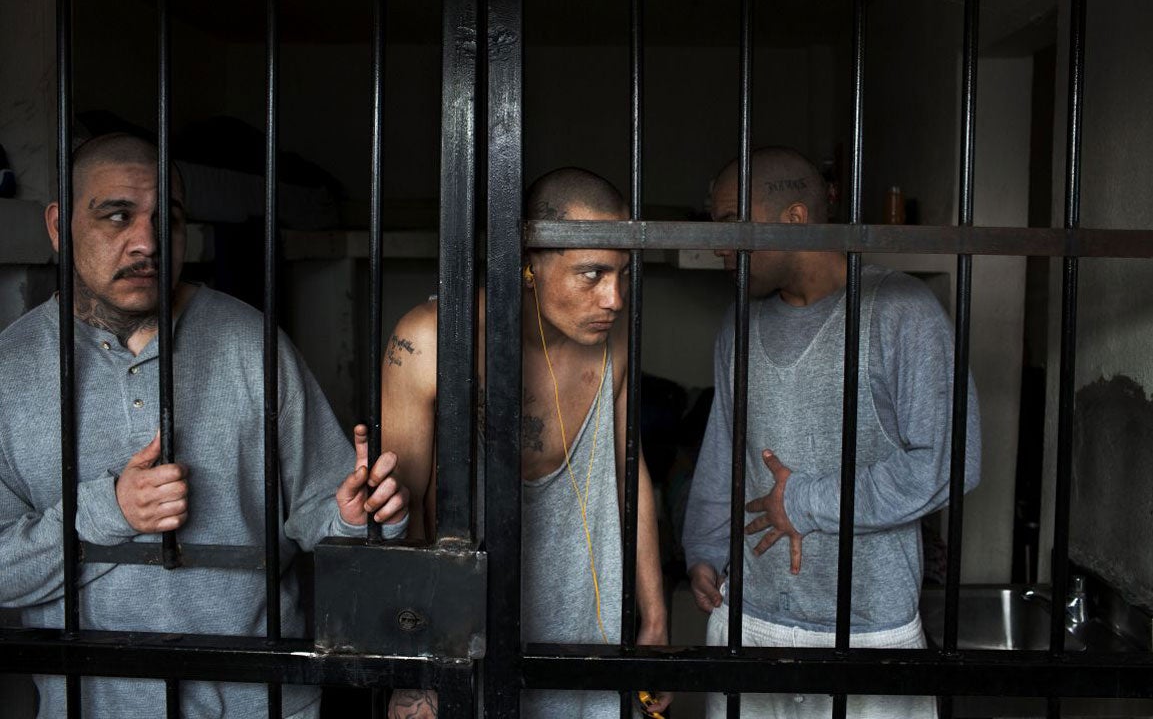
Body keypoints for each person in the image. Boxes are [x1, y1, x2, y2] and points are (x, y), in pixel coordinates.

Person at [0, 133, 408, 718]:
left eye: (166, 219)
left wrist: (355, 518)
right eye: (117, 216)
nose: (146, 242)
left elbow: (324, 514)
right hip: (91, 703)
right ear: (60, 227)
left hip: (263, 702)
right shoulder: (11, 370)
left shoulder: (252, 343)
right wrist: (107, 512)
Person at [683, 147, 981, 718]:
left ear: (796, 219)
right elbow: (724, 445)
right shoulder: (738, 323)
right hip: (750, 619)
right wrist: (705, 548)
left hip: (870, 631)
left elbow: (948, 462)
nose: (717, 245)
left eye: (728, 225)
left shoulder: (902, 312)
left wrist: (806, 501)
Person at [382, 168, 670, 719]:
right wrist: (417, 668)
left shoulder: (614, 342)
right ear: (530, 262)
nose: (614, 297)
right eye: (592, 274)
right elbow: (404, 514)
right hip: (466, 643)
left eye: (624, 274)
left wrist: (654, 621)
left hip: (591, 643)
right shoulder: (430, 342)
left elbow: (627, 471)